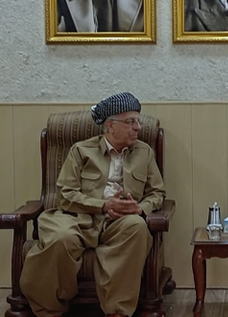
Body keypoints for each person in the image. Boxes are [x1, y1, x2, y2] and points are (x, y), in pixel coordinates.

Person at [20, 92, 165, 317]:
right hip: (77, 217)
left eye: (138, 121)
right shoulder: (81, 150)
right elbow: (65, 195)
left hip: (120, 221)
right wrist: (103, 205)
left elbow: (157, 193)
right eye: (130, 122)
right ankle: (49, 310)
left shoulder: (144, 152)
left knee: (137, 227)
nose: (137, 127)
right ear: (110, 125)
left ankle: (117, 312)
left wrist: (141, 208)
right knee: (60, 238)